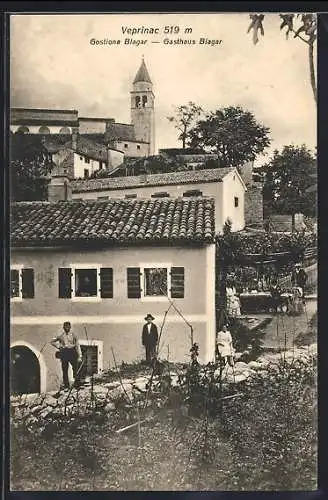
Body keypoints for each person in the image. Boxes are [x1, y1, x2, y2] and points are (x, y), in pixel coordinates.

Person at [51, 321, 82, 389]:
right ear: (63, 327)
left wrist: (80, 355)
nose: (67, 328)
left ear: (70, 327)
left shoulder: (73, 335)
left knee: (75, 367)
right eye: (65, 326)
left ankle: (77, 384)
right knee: (64, 369)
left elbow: (77, 345)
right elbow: (52, 341)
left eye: (68, 326)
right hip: (64, 352)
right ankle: (66, 385)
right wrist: (59, 346)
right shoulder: (61, 336)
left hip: (72, 352)